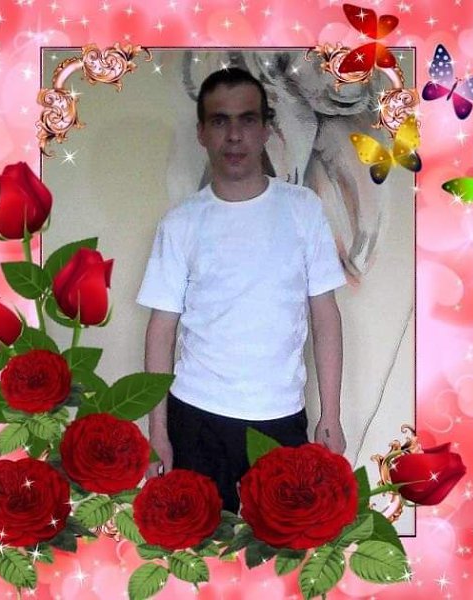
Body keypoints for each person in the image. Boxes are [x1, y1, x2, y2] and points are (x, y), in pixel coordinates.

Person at [137, 67, 347, 513]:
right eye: (220, 121)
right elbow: (161, 329)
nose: (234, 135)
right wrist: (157, 432)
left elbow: (325, 315)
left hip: (279, 417)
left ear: (266, 128)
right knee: (197, 544)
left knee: (279, 541)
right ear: (201, 133)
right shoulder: (181, 222)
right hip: (195, 417)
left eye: (247, 120)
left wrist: (331, 415)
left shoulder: (303, 210)